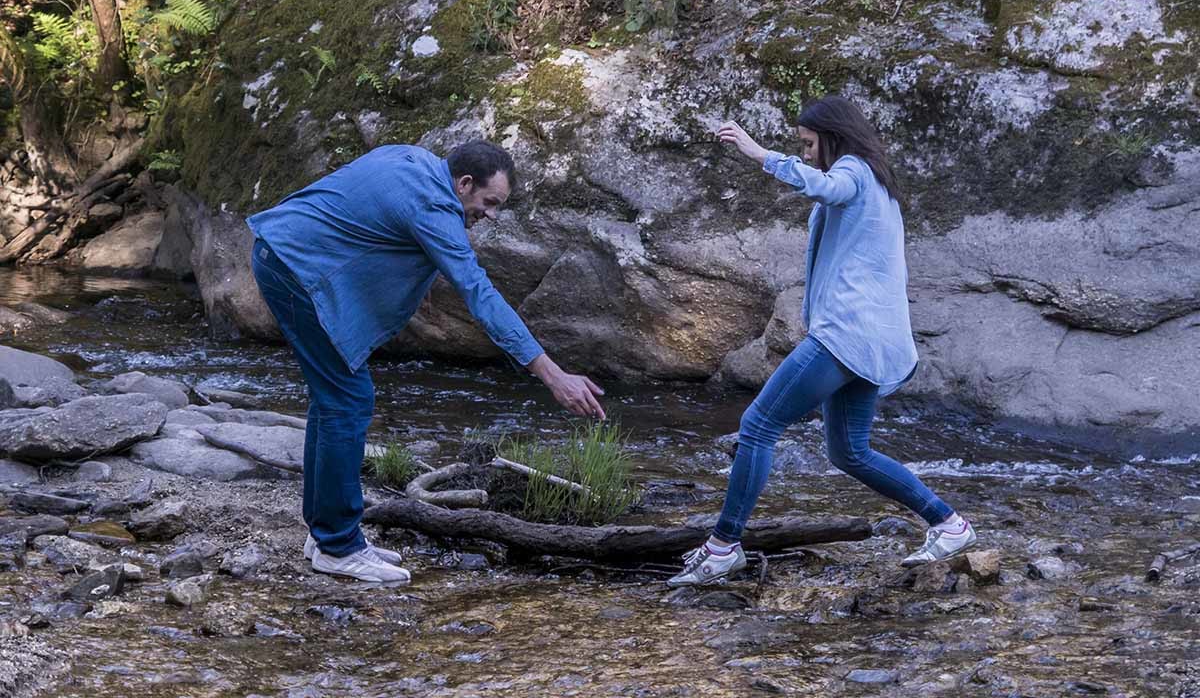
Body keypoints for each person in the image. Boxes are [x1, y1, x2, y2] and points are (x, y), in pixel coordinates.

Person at [248, 141, 606, 584]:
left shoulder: (414, 159)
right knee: (348, 400)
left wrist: (418, 277)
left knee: (334, 399)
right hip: (294, 270)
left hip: (280, 250)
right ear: (464, 183)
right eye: (489, 203)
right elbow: (481, 296)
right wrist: (553, 375)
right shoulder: (434, 209)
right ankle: (337, 546)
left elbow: (369, 216)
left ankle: (326, 532)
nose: (490, 214)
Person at [668, 96, 975, 587]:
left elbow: (824, 185)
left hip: (846, 334)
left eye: (809, 144)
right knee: (849, 452)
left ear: (832, 136)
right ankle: (949, 523)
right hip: (871, 339)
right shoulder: (875, 180)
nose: (807, 153)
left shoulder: (853, 170)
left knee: (757, 425)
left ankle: (724, 546)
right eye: (801, 147)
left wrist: (758, 152)